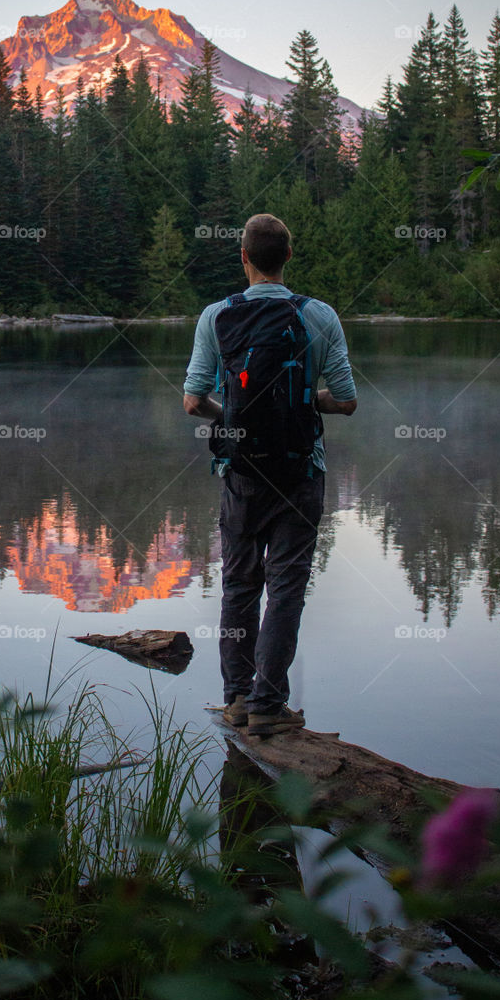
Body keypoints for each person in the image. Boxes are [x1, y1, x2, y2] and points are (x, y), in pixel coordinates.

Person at [184, 213, 356, 737]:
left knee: (238, 584)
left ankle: (236, 698)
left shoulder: (217, 316)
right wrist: (308, 401)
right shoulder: (319, 315)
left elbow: (193, 402)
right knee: (285, 587)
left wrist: (232, 415)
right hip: (301, 472)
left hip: (240, 472)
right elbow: (346, 401)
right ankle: (268, 705)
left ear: (244, 257)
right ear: (288, 257)